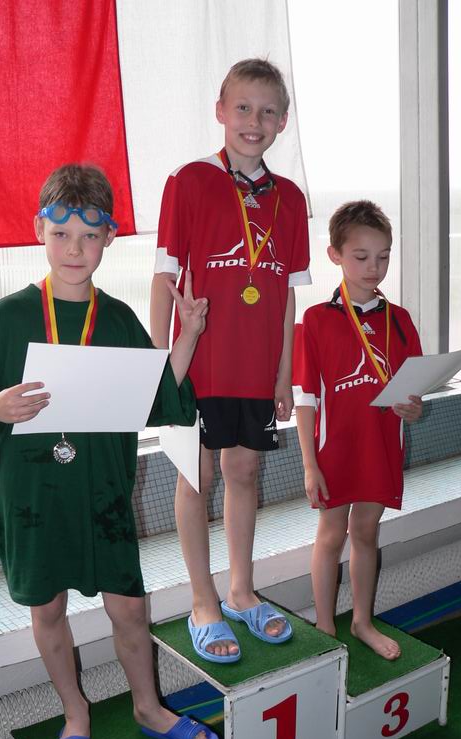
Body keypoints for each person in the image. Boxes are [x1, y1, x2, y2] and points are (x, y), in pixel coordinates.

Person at [0, 164, 215, 739]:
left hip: (102, 493)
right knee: (48, 609)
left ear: (109, 239)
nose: (75, 250)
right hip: (32, 497)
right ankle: (75, 712)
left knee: (128, 610)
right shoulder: (10, 316)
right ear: (39, 232)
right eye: (62, 234)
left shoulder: (119, 319)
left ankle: (148, 707)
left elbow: (160, 398)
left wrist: (187, 336)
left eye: (89, 236)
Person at [150, 59, 311, 662]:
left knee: (243, 472)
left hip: (255, 367)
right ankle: (203, 601)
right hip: (199, 364)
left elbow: (287, 294)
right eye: (243, 107)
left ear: (283, 122)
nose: (254, 121)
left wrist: (284, 374)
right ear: (220, 111)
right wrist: (160, 368)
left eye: (268, 111)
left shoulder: (290, 199)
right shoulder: (189, 180)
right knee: (197, 477)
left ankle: (242, 592)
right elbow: (165, 277)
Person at [293, 200, 423, 660]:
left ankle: (363, 620)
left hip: (380, 446)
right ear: (335, 255)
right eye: (361, 256)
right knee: (331, 535)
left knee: (366, 532)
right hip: (335, 449)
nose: (374, 267)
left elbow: (413, 392)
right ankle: (325, 625)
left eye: (383, 256)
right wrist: (309, 464)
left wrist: (413, 409)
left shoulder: (400, 321)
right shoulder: (315, 320)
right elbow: (305, 400)